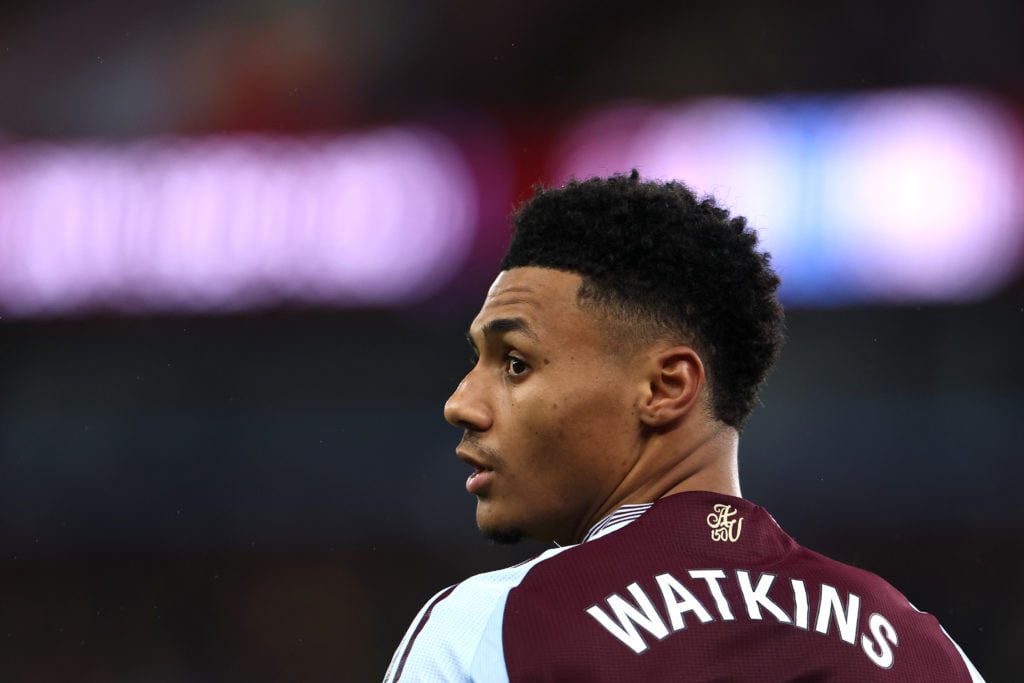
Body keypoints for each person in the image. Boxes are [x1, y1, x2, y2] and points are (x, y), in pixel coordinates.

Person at [383, 171, 984, 682]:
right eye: (476, 363)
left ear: (665, 387)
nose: (461, 404)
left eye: (515, 364)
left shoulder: (494, 627)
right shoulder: (921, 648)